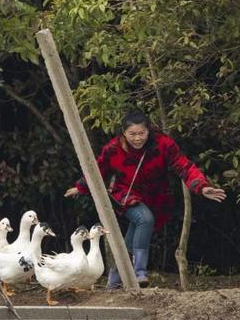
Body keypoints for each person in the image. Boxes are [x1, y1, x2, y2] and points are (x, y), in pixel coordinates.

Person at [65, 110, 226, 288]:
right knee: (144, 218)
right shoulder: (113, 148)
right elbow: (98, 169)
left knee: (137, 229)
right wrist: (81, 187)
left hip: (155, 196)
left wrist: (201, 186)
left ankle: (114, 280)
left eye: (141, 133)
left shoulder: (162, 143)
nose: (137, 139)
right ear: (123, 133)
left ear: (148, 131)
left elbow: (183, 165)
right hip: (124, 192)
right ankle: (139, 272)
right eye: (132, 134)